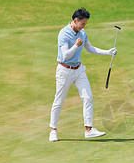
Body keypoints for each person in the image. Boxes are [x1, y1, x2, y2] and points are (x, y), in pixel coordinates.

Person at [49, 8, 117, 142]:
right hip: (65, 70)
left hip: (79, 69)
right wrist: (75, 45)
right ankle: (53, 130)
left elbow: (90, 49)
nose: (84, 26)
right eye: (83, 23)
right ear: (75, 21)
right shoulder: (64, 33)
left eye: (85, 23)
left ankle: (89, 130)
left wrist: (108, 52)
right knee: (59, 101)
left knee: (88, 97)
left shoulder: (82, 32)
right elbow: (65, 55)